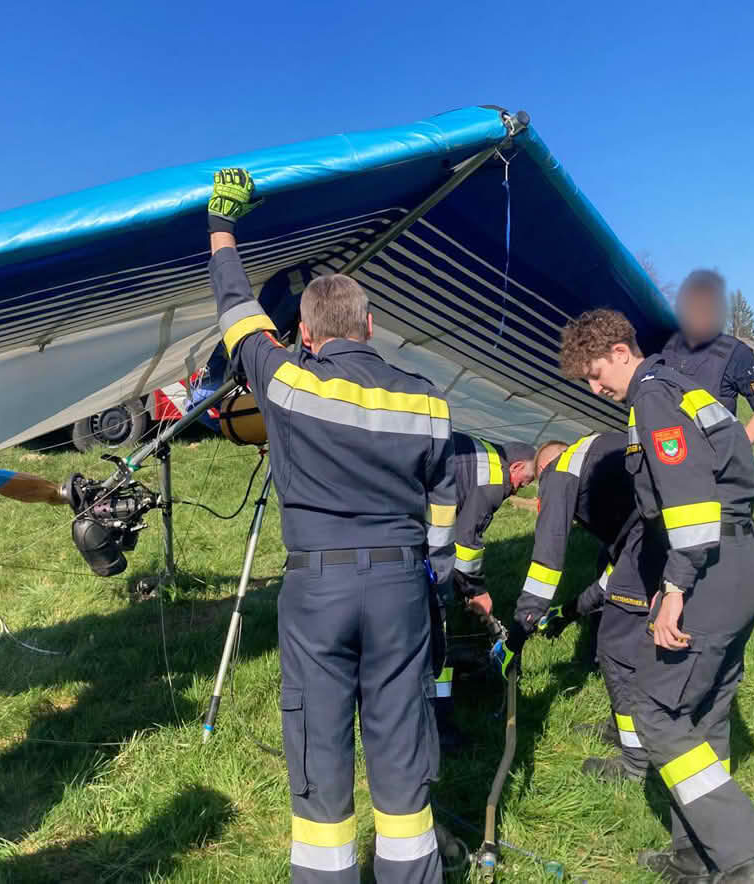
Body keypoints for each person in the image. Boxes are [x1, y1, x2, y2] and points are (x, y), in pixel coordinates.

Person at [206, 170, 449, 883]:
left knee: (319, 750)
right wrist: (436, 576)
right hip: (402, 586)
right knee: (402, 747)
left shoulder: (287, 381)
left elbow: (235, 311)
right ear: (371, 326)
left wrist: (222, 227)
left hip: (319, 592)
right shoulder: (430, 404)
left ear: (305, 334)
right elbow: (442, 504)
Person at [558, 308, 754, 883]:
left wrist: (675, 591)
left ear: (617, 351)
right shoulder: (684, 389)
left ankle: (745, 864)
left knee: (656, 710)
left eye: (593, 374)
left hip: (710, 566)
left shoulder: (652, 398)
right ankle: (695, 857)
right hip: (743, 560)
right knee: (703, 712)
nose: (595, 388)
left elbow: (689, 503)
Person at [502, 434, 665, 785]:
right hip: (656, 531)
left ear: (544, 468)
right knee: (624, 629)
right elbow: (613, 578)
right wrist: (569, 613)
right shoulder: (601, 460)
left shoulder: (559, 472)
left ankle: (636, 762)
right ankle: (622, 724)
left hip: (650, 539)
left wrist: (517, 634)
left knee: (617, 648)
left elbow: (547, 560)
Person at [433, 433, 538, 751]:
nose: (521, 488)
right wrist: (477, 591)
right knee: (435, 629)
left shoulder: (486, 454)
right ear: (516, 466)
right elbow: (466, 545)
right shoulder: (495, 479)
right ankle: (439, 725)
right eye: (525, 479)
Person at [661, 270, 754, 445]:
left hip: (712, 465)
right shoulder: (661, 347)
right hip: (665, 459)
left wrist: (737, 449)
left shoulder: (735, 353)